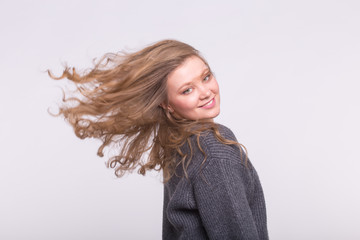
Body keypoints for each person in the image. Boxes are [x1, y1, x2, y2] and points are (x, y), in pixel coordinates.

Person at [49, 39, 269, 239]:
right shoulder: (211, 149)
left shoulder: (181, 143)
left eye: (206, 76)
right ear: (166, 103)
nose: (205, 92)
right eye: (187, 90)